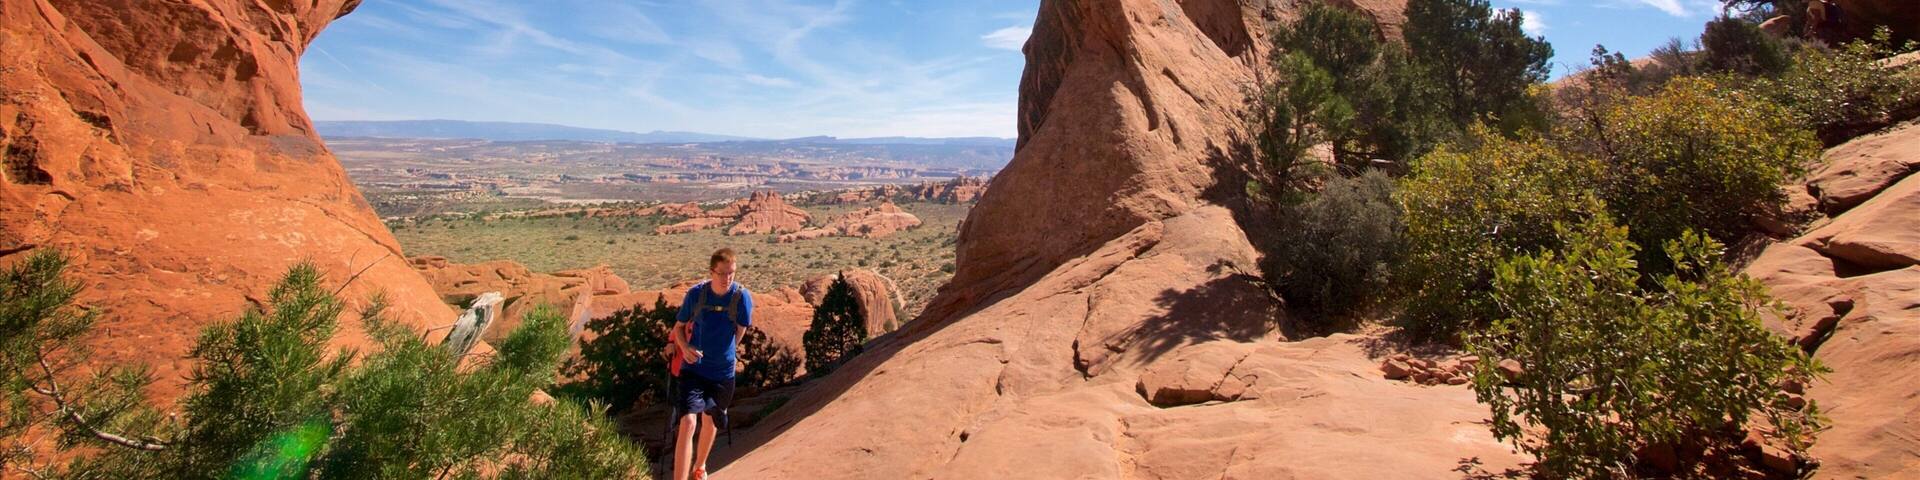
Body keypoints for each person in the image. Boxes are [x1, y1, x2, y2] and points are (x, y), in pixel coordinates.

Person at [671, 248, 753, 480]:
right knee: (688, 422)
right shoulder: (697, 294)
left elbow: (741, 328)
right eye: (723, 273)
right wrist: (685, 348)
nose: (727, 279)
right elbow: (678, 327)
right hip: (694, 368)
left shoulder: (741, 297)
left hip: (722, 373)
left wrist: (727, 350)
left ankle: (700, 466)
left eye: (732, 273)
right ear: (711, 272)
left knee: (711, 419)